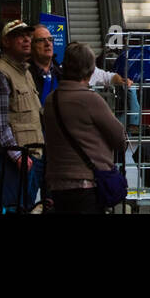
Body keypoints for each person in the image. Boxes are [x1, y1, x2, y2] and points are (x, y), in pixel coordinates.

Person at [41, 42, 127, 214]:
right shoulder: (90, 100)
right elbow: (119, 137)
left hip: (57, 183)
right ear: (90, 69)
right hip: (86, 183)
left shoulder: (51, 100)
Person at [0, 20, 45, 213]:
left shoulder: (25, 72)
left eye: (28, 35)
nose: (27, 39)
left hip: (29, 158)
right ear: (6, 41)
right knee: (10, 208)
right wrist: (18, 157)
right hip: (10, 162)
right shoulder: (0, 74)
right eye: (20, 36)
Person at [28, 25, 62, 105]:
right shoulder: (25, 75)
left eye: (50, 39)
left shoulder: (62, 74)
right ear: (31, 46)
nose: (47, 44)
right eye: (41, 40)